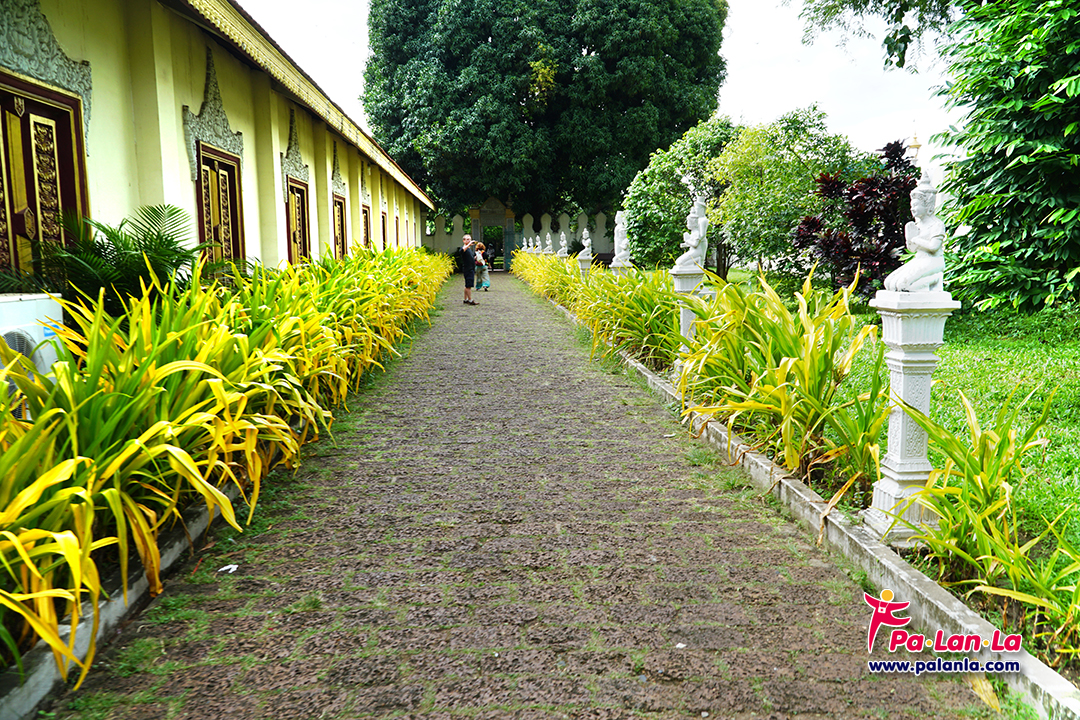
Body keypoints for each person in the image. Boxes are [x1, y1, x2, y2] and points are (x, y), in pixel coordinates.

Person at [461, 235, 478, 305]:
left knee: (467, 285)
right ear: (463, 241)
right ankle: (470, 300)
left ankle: (465, 299)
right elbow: (463, 250)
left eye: (469, 239)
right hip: (468, 269)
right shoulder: (464, 248)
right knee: (469, 286)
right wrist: (468, 244)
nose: (469, 241)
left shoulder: (469, 250)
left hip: (471, 268)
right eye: (467, 239)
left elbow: (471, 258)